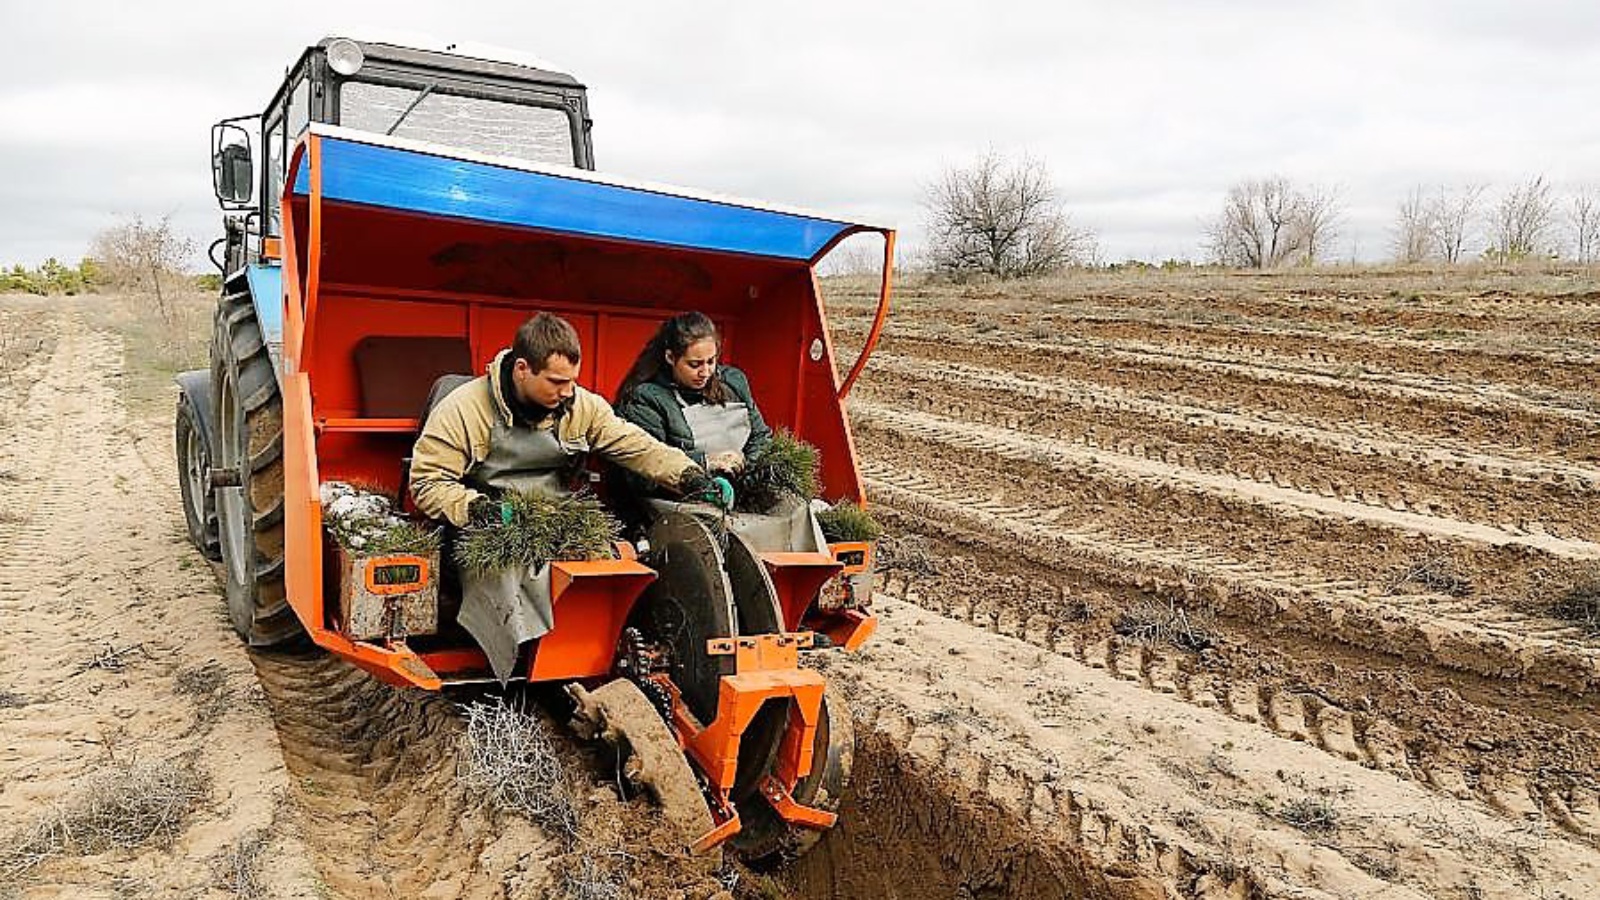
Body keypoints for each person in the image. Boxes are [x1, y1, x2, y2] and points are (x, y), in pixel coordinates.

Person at [408, 312, 726, 680]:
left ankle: (585, 659)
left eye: (572, 381)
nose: (567, 392)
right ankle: (514, 669)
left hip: (556, 514)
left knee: (606, 565)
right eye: (557, 382)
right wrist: (478, 509)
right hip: (489, 522)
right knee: (508, 578)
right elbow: (427, 483)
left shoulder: (579, 406)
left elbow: (635, 445)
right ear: (523, 368)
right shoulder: (465, 408)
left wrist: (687, 475)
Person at [614, 311, 772, 486]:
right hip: (678, 499)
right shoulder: (645, 398)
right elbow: (645, 467)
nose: (705, 373)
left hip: (738, 488)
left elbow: (761, 437)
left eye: (711, 361)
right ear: (670, 358)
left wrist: (744, 465)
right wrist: (705, 462)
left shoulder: (734, 381)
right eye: (694, 364)